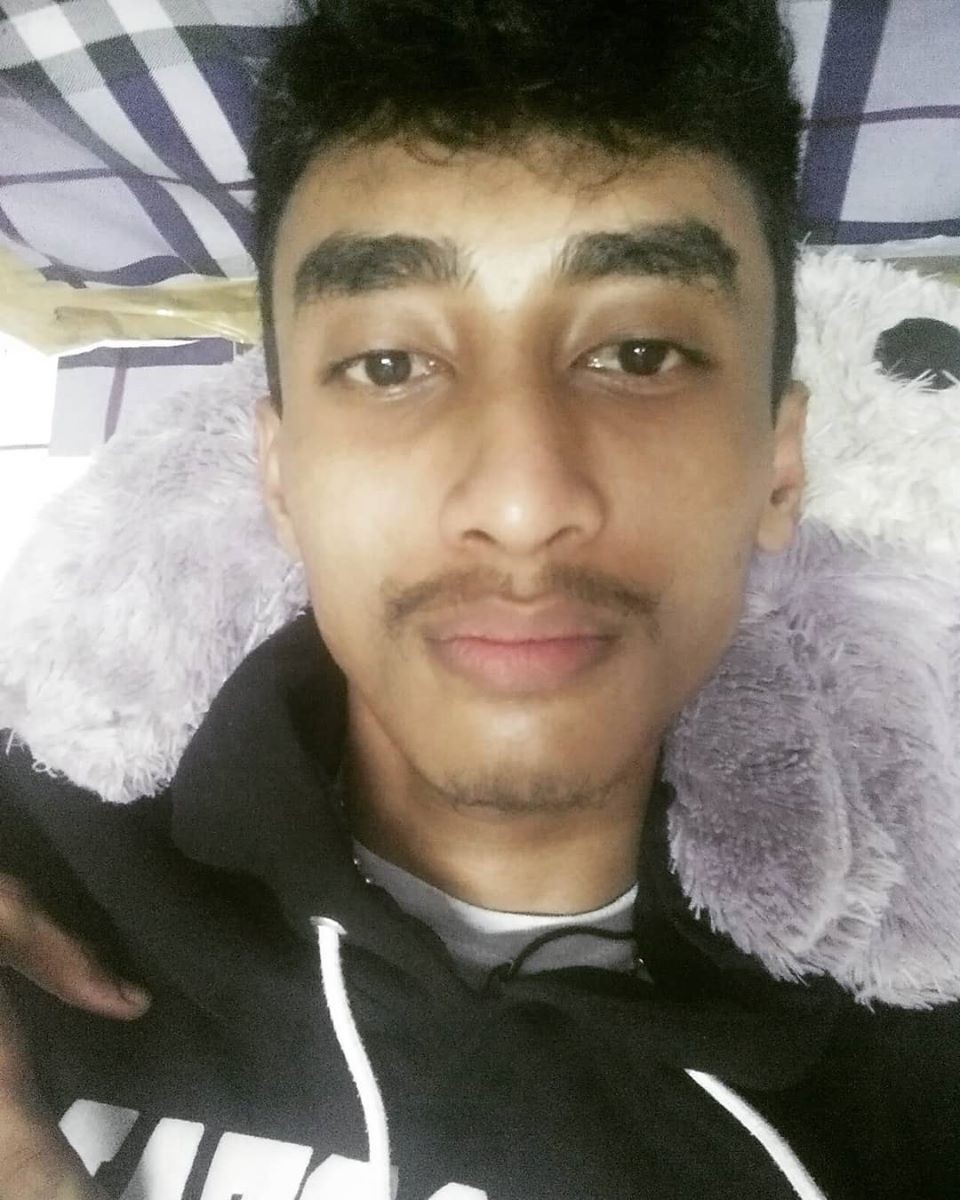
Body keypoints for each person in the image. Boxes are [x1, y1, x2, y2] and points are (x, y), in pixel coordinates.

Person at [0, 1, 957, 1197]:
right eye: (390, 364)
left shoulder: (922, 1087)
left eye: (640, 355)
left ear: (779, 464)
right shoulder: (34, 872)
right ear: (279, 476)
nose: (520, 502)